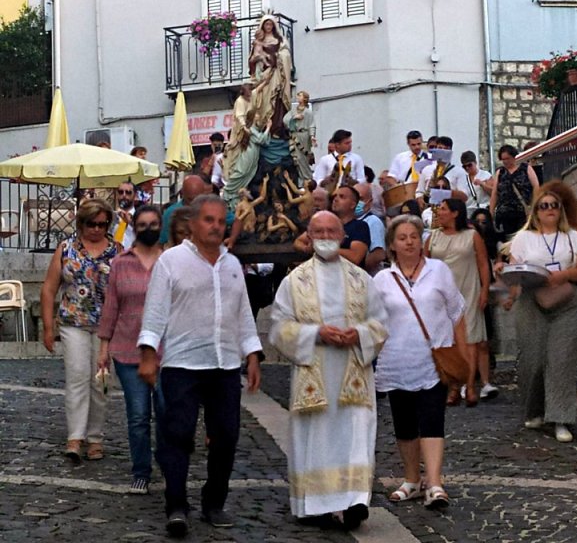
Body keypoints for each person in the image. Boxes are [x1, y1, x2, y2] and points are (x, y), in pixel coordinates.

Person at [137, 194, 262, 536]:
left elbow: (243, 313)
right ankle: (176, 504)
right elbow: (156, 309)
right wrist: (148, 353)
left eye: (221, 221)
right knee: (177, 434)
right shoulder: (172, 261)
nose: (215, 227)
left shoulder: (232, 264)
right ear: (192, 224)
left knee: (226, 436)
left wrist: (252, 353)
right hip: (183, 362)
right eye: (208, 220)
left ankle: (214, 502)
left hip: (224, 365)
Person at [269, 210, 387, 529]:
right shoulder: (295, 281)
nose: (324, 237)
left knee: (355, 433)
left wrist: (359, 334)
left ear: (342, 235)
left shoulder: (360, 279)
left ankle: (353, 500)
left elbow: (380, 321)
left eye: (330, 231)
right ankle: (317, 503)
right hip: (315, 369)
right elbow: (279, 327)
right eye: (317, 232)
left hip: (353, 371)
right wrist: (315, 334)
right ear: (309, 235)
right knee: (316, 436)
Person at [374, 215, 467, 508]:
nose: (409, 242)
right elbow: (373, 322)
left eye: (414, 235)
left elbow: (457, 312)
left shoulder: (439, 271)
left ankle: (435, 482)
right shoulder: (381, 280)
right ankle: (412, 479)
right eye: (402, 237)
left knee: (432, 420)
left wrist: (462, 354)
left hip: (433, 361)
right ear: (392, 245)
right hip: (397, 361)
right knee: (404, 424)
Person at [503, 189, 577, 443]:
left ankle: (561, 418)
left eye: (554, 205)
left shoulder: (573, 237)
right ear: (536, 212)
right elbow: (515, 269)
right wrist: (509, 294)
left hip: (566, 301)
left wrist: (564, 275)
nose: (550, 209)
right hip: (532, 299)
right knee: (534, 359)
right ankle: (535, 410)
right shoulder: (523, 238)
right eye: (544, 206)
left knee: (562, 359)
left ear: (560, 209)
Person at [40, 199, 119, 461]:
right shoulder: (66, 249)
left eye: (102, 224)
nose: (97, 229)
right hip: (73, 322)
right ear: (81, 223)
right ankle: (75, 436)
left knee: (101, 382)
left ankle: (95, 437)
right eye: (91, 224)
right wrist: (48, 326)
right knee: (76, 377)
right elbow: (50, 288)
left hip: (106, 326)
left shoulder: (117, 251)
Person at [97, 206, 164, 495]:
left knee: (167, 413)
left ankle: (169, 462)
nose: (148, 228)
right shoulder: (120, 263)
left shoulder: (172, 260)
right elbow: (111, 306)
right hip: (127, 349)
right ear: (134, 227)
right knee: (137, 416)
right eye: (143, 224)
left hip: (167, 351)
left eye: (153, 224)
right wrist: (103, 347)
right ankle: (141, 471)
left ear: (161, 226)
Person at [426, 198, 490, 407]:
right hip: (440, 295)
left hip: (467, 290)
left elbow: (482, 264)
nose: (439, 212)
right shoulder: (432, 237)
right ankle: (453, 385)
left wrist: (485, 290)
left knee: (470, 339)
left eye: (443, 209)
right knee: (447, 341)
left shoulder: (472, 236)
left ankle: (470, 386)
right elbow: (423, 263)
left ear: (455, 213)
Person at [470, 208, 500, 399]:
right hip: (465, 298)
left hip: (480, 297)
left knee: (483, 341)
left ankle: (485, 380)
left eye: (484, 222)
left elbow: (486, 274)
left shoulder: (487, 249)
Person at [249, 14, 292, 134]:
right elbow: (252, 60)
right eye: (266, 24)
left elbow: (286, 55)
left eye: (270, 24)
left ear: (274, 25)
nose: (268, 26)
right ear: (262, 26)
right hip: (265, 74)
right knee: (265, 100)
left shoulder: (280, 40)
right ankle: (266, 126)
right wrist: (260, 59)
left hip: (278, 72)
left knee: (278, 98)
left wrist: (278, 57)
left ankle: (278, 127)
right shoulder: (259, 41)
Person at [490, 144, 540, 239]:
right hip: (505, 214)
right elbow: (495, 193)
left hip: (522, 213)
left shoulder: (526, 168)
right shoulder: (500, 172)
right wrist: (491, 213)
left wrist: (534, 206)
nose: (505, 161)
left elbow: (536, 186)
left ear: (514, 157)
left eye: (507, 158)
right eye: (503, 159)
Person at [159, 175, 207, 245]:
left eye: (198, 200)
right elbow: (162, 242)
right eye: (190, 200)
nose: (194, 204)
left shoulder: (210, 212)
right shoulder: (170, 213)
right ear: (182, 194)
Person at [416, 136, 468, 202]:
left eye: (445, 149)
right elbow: (419, 191)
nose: (442, 151)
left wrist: (445, 192)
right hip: (430, 208)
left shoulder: (459, 172)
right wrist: (420, 199)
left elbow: (465, 197)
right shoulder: (427, 169)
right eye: (440, 148)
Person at [333, 186, 370, 267]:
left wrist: (328, 250)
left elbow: (355, 257)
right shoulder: (327, 223)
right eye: (335, 196)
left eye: (342, 197)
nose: (335, 199)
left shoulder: (360, 227)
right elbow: (299, 241)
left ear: (353, 205)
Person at [354, 183, 386, 275]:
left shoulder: (373, 222)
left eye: (360, 199)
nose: (356, 202)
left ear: (370, 202)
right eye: (354, 198)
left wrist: (358, 270)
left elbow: (378, 255)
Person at [112, 180, 137, 249]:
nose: (124, 195)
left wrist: (130, 222)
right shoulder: (112, 217)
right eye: (120, 192)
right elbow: (116, 241)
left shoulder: (139, 216)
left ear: (135, 195)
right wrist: (123, 224)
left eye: (128, 192)